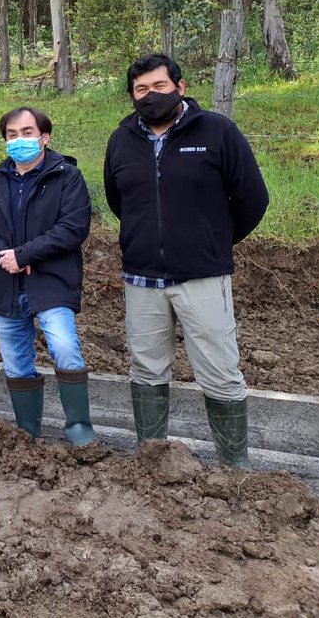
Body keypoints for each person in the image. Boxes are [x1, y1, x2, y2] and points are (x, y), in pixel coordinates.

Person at [104, 53, 268, 468]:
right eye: (141, 90)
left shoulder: (217, 132)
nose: (149, 96)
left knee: (219, 369)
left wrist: (211, 242)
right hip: (142, 278)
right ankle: (150, 457)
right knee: (146, 368)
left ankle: (235, 467)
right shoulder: (121, 140)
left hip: (202, 276)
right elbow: (118, 200)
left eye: (158, 87)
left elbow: (251, 198)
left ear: (179, 87)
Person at [0, 107, 95, 444]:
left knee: (65, 347)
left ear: (44, 137)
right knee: (15, 359)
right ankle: (28, 432)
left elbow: (72, 227)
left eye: (27, 133)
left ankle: (79, 429)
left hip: (51, 280)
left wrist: (25, 254)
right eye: (12, 135)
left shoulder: (66, 176)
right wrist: (2, 255)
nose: (19, 140)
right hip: (4, 282)